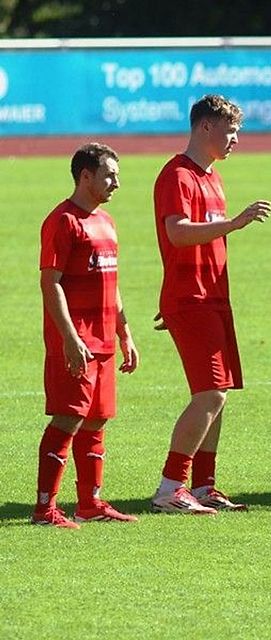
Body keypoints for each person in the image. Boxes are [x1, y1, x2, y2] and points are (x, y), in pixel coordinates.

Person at [151, 95, 271, 514]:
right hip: (193, 299)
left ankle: (204, 485)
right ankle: (170, 487)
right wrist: (235, 224)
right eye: (230, 130)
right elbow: (178, 233)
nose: (236, 139)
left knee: (218, 396)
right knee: (211, 393)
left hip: (212, 297)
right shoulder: (177, 175)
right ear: (205, 127)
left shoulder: (213, 177)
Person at [34, 143, 139, 528]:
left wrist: (124, 332)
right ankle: (45, 509)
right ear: (86, 176)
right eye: (109, 175)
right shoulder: (63, 221)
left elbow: (112, 282)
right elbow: (50, 283)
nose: (116, 183)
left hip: (105, 340)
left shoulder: (106, 221)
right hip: (76, 342)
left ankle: (89, 503)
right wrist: (68, 337)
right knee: (67, 419)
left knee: (96, 420)